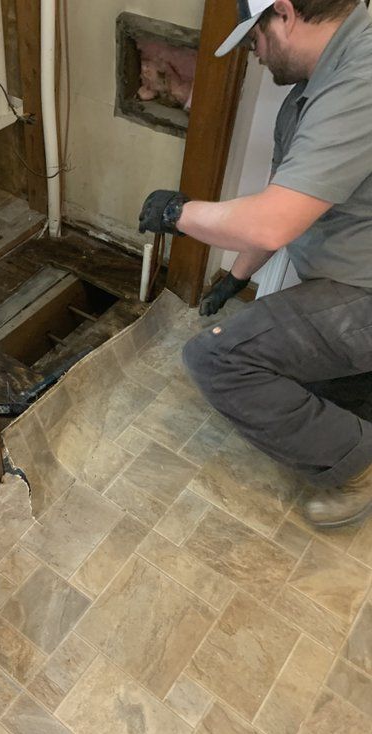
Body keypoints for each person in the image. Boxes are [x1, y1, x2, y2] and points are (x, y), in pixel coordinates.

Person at [138, 0, 372, 529]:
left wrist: (178, 214)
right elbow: (282, 203)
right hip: (354, 276)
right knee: (317, 390)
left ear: (284, 14)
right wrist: (236, 277)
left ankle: (359, 468)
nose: (256, 54)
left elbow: (270, 223)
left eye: (254, 39)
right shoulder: (316, 90)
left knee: (216, 358)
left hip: (363, 289)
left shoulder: (359, 82)